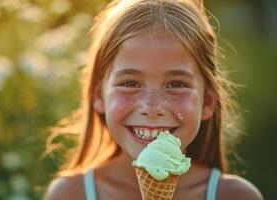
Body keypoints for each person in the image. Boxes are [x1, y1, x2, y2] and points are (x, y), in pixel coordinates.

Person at [45, 0, 263, 199]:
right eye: (130, 83)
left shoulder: (235, 196)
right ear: (98, 95)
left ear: (207, 101)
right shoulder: (70, 194)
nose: (152, 108)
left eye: (176, 84)